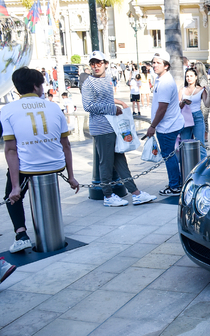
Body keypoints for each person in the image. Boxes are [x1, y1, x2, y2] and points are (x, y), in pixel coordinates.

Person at [2, 66, 80, 253]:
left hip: (28, 168)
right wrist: (71, 176)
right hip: (55, 165)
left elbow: (11, 150)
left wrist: (15, 187)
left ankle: (21, 234)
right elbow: (66, 144)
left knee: (10, 196)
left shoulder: (7, 110)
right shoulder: (53, 107)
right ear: (36, 86)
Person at [82, 51, 157, 207]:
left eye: (99, 63)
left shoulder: (108, 78)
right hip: (101, 128)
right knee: (106, 162)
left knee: (120, 159)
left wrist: (119, 102)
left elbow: (106, 99)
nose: (95, 66)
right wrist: (112, 108)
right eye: (92, 63)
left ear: (106, 64)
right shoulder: (88, 83)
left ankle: (135, 193)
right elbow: (88, 106)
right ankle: (108, 196)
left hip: (113, 125)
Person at [145, 50, 185, 196]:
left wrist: (152, 126)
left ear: (166, 66)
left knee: (169, 156)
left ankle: (175, 186)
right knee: (170, 155)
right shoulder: (161, 80)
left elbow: (162, 108)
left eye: (158, 63)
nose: (154, 65)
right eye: (153, 62)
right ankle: (176, 183)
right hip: (168, 124)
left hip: (167, 126)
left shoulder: (165, 83)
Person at [180, 68, 209, 159]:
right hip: (185, 118)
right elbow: (178, 106)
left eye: (191, 76)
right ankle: (187, 168)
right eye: (187, 76)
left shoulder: (201, 89)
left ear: (196, 77)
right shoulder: (182, 90)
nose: (189, 78)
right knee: (185, 144)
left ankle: (204, 168)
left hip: (197, 117)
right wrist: (183, 102)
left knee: (201, 144)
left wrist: (208, 92)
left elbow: (207, 104)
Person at [194, 62, 210, 142]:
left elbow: (204, 90)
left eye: (195, 68)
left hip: (203, 101)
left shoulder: (202, 78)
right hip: (202, 100)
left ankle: (205, 136)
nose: (194, 69)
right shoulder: (201, 77)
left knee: (204, 119)